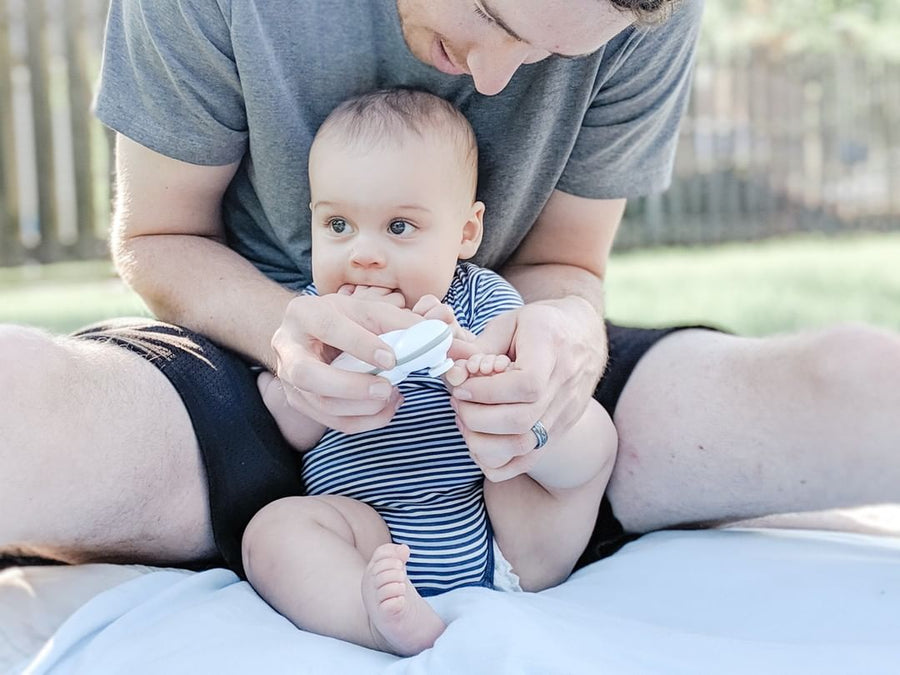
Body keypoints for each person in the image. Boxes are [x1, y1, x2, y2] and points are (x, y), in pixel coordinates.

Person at [1, 0, 898, 599]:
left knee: (858, 381)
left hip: (494, 365)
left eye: (551, 49)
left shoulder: (646, 10)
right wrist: (289, 334)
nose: (498, 77)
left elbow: (567, 265)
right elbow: (158, 239)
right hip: (238, 364)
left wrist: (559, 345)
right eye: (492, 13)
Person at [242, 89, 617, 656]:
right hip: (372, 535)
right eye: (338, 225)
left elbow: (521, 371)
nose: (363, 254)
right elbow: (288, 430)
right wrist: (327, 379)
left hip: (502, 529)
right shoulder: (318, 316)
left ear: (466, 233)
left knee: (590, 437)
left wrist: (471, 364)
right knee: (273, 533)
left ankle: (510, 475)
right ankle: (369, 616)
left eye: (398, 228)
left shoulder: (481, 298)